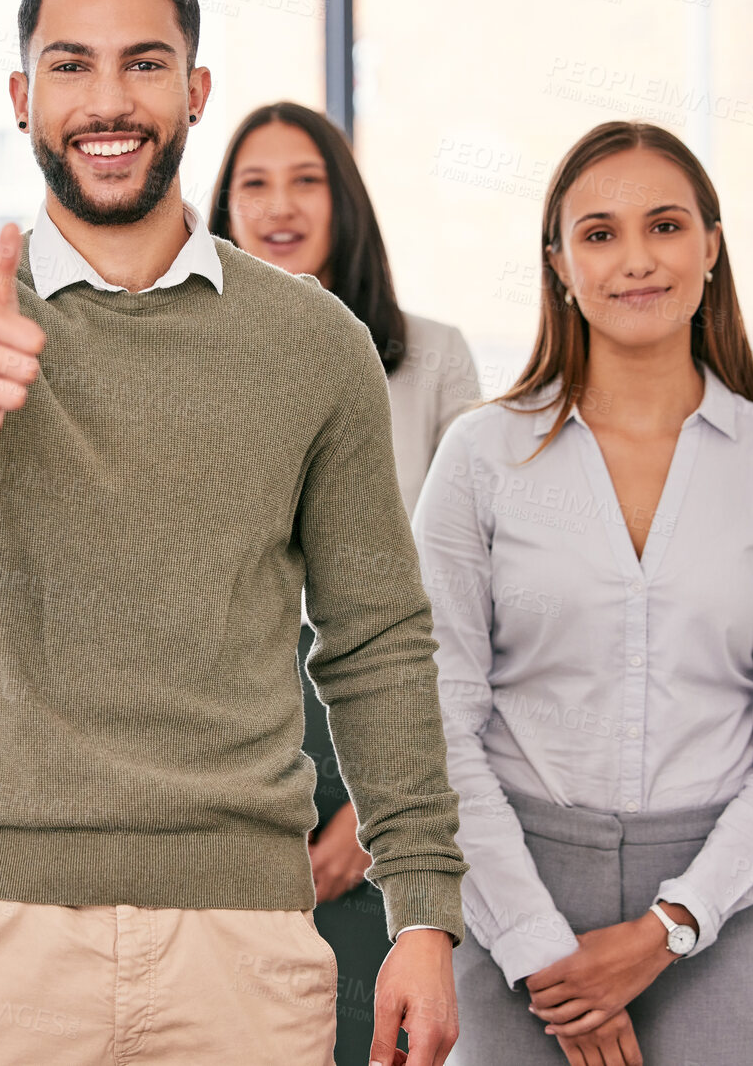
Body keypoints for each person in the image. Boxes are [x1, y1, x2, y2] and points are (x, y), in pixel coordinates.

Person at [0, 0, 466, 1066]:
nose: (107, 99)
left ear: (195, 89)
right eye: (71, 66)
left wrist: (421, 909)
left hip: (243, 937)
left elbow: (376, 639)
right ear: (23, 96)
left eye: (144, 63)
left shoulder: (312, 344)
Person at [414, 121, 753, 1066]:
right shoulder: (479, 459)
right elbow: (436, 722)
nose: (635, 259)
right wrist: (545, 952)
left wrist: (666, 929)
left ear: (710, 247)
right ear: (560, 265)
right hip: (508, 883)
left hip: (725, 902)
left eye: (663, 225)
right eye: (599, 233)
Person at [208, 101, 480, 1066]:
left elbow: (455, 607)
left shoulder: (433, 358)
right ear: (222, 209)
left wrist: (370, 822)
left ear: (345, 204)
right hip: (234, 747)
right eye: (254, 182)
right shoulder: (192, 356)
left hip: (382, 742)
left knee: (375, 1036)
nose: (279, 205)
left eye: (305, 179)